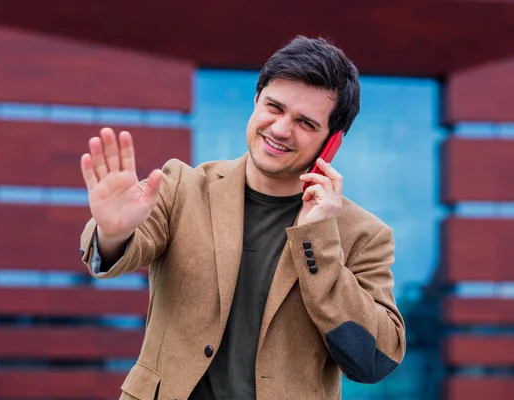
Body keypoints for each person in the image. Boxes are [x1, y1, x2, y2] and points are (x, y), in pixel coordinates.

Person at [79, 35, 405, 400]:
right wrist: (112, 233)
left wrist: (320, 241)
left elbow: (375, 360)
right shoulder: (183, 187)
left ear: (332, 141)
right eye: (274, 107)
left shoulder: (364, 234)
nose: (281, 129)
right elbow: (118, 251)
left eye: (305, 123)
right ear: (255, 101)